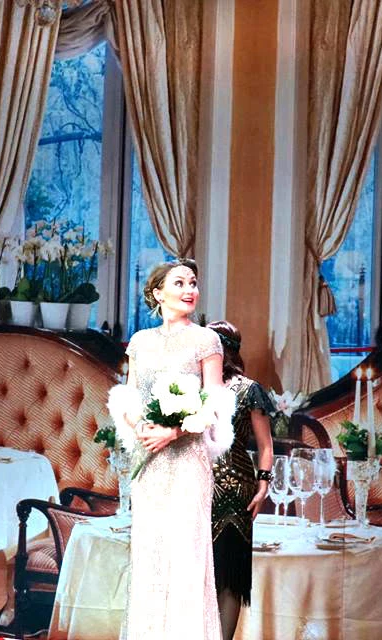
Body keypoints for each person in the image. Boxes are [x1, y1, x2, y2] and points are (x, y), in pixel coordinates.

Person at [107, 259, 234, 640]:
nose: (189, 290)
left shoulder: (206, 340)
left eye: (193, 283)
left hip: (187, 462)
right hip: (149, 463)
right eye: (179, 283)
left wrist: (174, 431)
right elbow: (130, 398)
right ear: (157, 293)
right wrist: (139, 427)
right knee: (150, 556)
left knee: (186, 557)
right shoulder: (140, 342)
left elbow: (215, 402)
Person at [206, 320, 275, 640]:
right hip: (194, 483)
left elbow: (266, 445)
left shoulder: (249, 389)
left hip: (235, 488)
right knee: (199, 571)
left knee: (230, 575)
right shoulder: (190, 388)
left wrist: (263, 485)